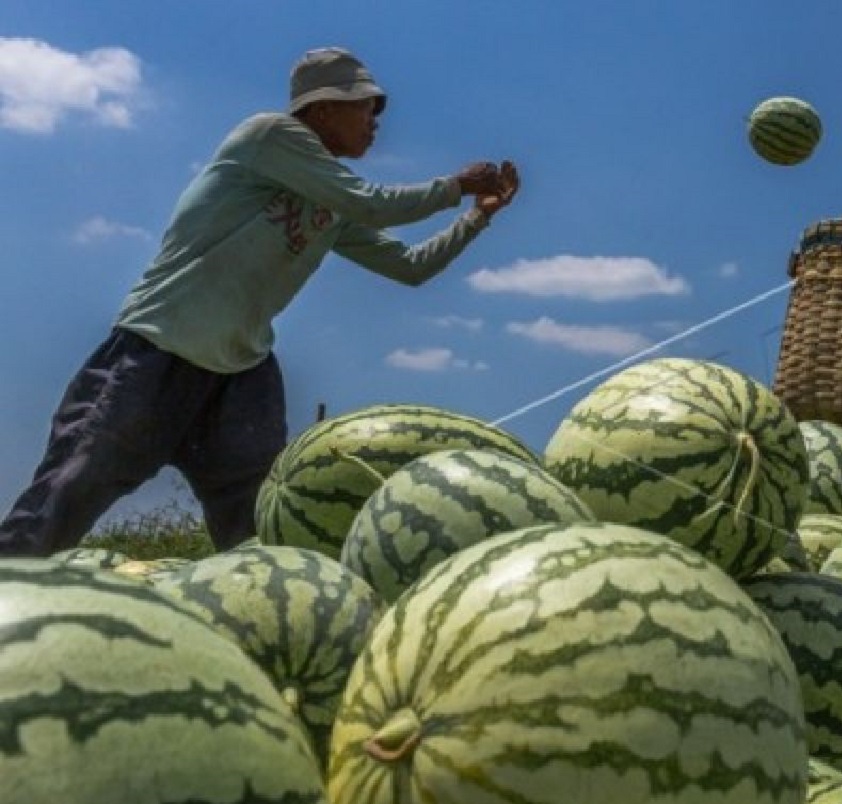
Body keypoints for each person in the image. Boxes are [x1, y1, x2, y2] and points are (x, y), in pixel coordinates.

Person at [0, 47, 519, 557]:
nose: (376, 120)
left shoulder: (331, 204)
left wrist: (477, 216)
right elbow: (371, 204)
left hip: (241, 374)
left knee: (259, 529)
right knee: (67, 493)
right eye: (365, 106)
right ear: (322, 109)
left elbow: (410, 267)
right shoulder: (270, 135)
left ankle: (264, 626)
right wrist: (454, 186)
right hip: (159, 349)